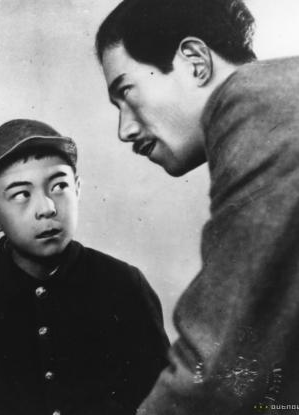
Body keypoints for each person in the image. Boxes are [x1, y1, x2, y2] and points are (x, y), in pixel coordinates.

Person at [95, 0, 299, 413]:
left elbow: (220, 359)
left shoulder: (253, 102)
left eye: (126, 92)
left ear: (194, 61)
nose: (124, 130)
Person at [0, 119, 169, 415]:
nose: (47, 208)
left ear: (77, 189)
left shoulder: (122, 283)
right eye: (21, 194)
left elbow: (161, 396)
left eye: (59, 186)